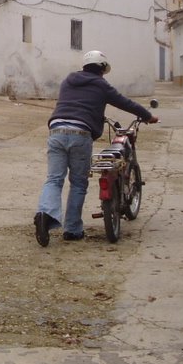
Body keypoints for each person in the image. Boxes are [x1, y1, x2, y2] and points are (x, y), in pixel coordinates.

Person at [34, 50, 159, 246]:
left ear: (84, 66)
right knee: (78, 182)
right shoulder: (101, 84)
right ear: (101, 69)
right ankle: (72, 230)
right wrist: (148, 115)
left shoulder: (68, 80)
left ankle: (45, 213)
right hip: (80, 134)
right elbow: (125, 103)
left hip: (56, 130)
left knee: (54, 179)